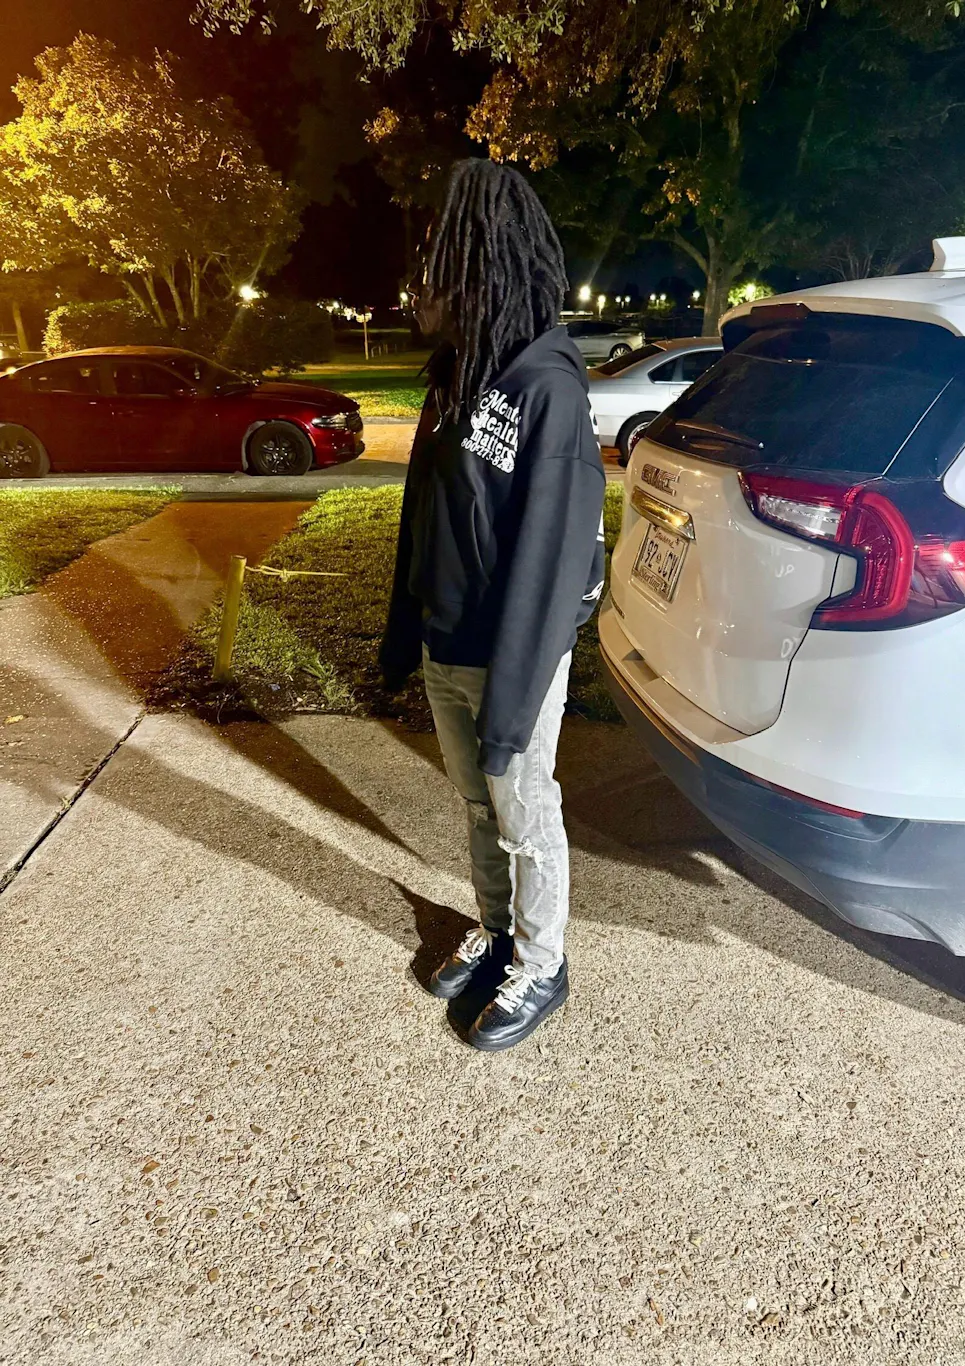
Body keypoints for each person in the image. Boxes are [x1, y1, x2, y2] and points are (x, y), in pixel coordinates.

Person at [380, 158, 606, 1052]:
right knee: (480, 809)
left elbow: (552, 560)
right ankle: (500, 929)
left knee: (525, 813)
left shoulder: (547, 386)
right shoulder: (453, 375)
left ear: (486, 266)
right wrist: (406, 631)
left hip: (511, 659)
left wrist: (512, 703)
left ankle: (543, 962)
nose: (425, 280)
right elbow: (421, 512)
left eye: (443, 260)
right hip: (448, 643)